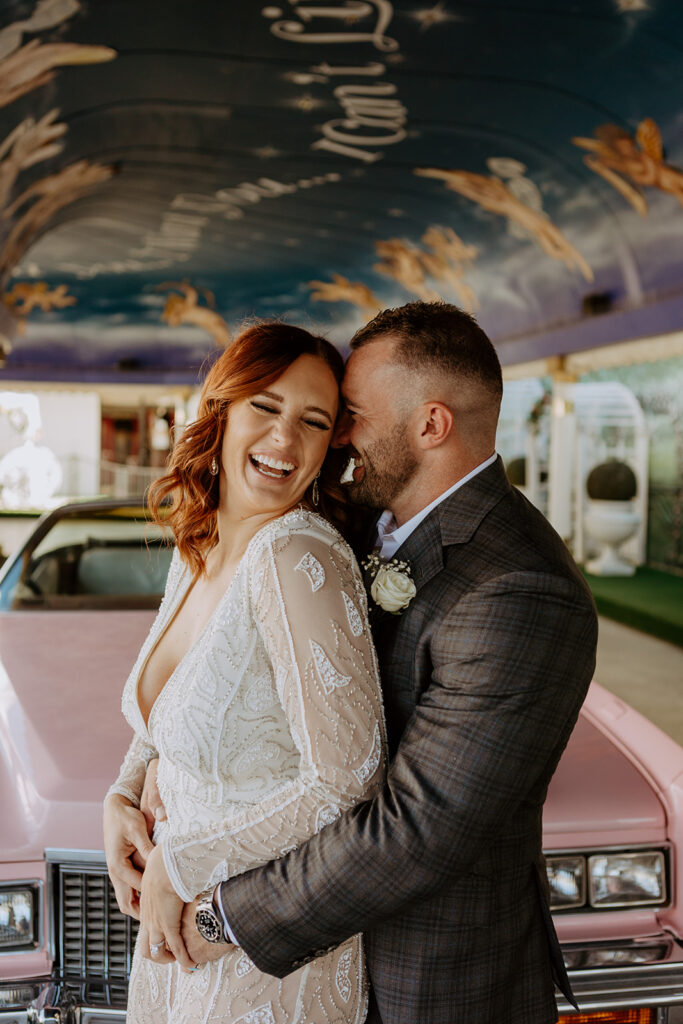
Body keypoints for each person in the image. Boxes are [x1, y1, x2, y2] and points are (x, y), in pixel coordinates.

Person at [162, 301, 598, 1024]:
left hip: (428, 985)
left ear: (430, 425)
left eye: (350, 415)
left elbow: (416, 829)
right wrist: (146, 777)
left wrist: (218, 918)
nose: (335, 437)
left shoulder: (521, 589)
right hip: (321, 968)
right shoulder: (356, 523)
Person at [103, 322, 387, 1024]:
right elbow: (167, 714)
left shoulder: (296, 555)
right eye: (265, 406)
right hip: (177, 939)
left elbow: (347, 777)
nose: (284, 440)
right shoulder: (198, 545)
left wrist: (183, 861)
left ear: (329, 448)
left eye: (312, 421)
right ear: (221, 408)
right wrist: (120, 794)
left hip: (257, 957)